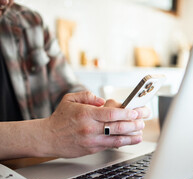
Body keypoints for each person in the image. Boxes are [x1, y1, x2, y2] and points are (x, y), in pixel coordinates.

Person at [0, 1, 150, 160]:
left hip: (37, 168)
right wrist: (49, 135)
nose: (5, 2)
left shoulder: (31, 22)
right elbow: (52, 133)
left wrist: (101, 114)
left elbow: (66, 89)